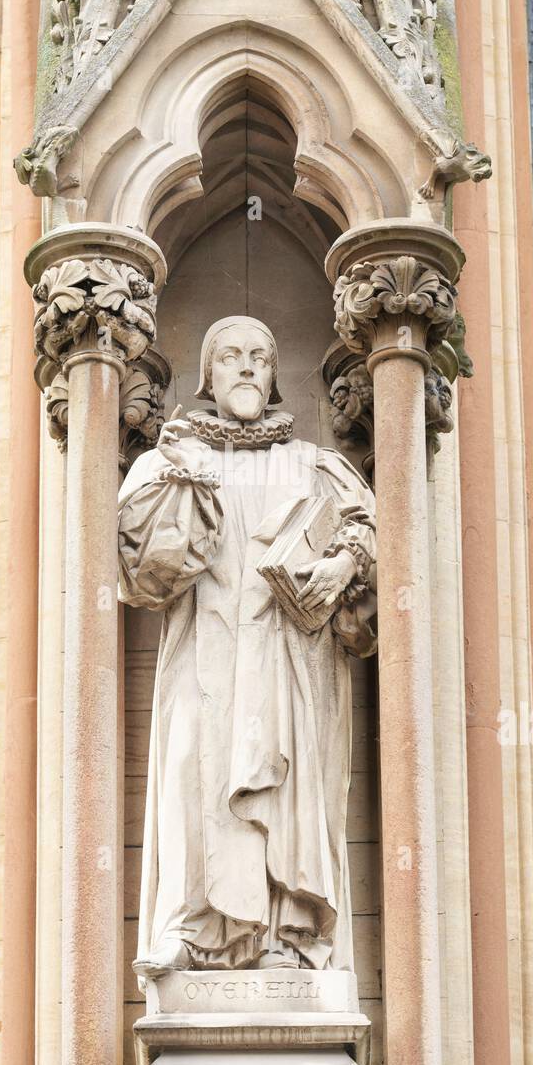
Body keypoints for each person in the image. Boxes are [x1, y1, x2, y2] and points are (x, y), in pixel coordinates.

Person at [118, 316, 377, 978]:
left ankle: (286, 938)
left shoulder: (312, 465)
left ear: (273, 375)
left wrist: (342, 566)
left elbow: (369, 533)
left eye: (260, 358)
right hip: (203, 658)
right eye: (230, 356)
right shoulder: (172, 460)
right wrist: (181, 485)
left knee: (285, 787)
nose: (245, 368)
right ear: (207, 374)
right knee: (191, 775)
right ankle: (192, 929)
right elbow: (140, 571)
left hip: (288, 665)